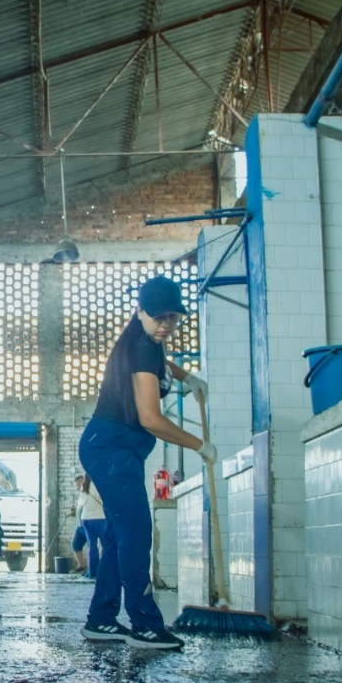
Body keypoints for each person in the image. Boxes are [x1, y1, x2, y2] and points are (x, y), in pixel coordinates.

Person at [79, 275, 215, 650]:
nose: (166, 324)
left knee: (118, 535)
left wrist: (189, 378)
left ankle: (101, 619)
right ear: (139, 311)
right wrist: (199, 445)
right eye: (159, 317)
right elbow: (150, 419)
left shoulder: (149, 343)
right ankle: (144, 625)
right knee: (136, 532)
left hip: (118, 448)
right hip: (108, 447)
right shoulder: (141, 345)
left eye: (173, 317)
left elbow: (161, 364)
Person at [78, 473, 107, 579]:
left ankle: (92, 572)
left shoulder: (83, 486)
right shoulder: (97, 484)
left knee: (92, 546)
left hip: (85, 519)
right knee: (106, 545)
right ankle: (105, 570)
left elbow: (81, 503)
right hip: (98, 518)